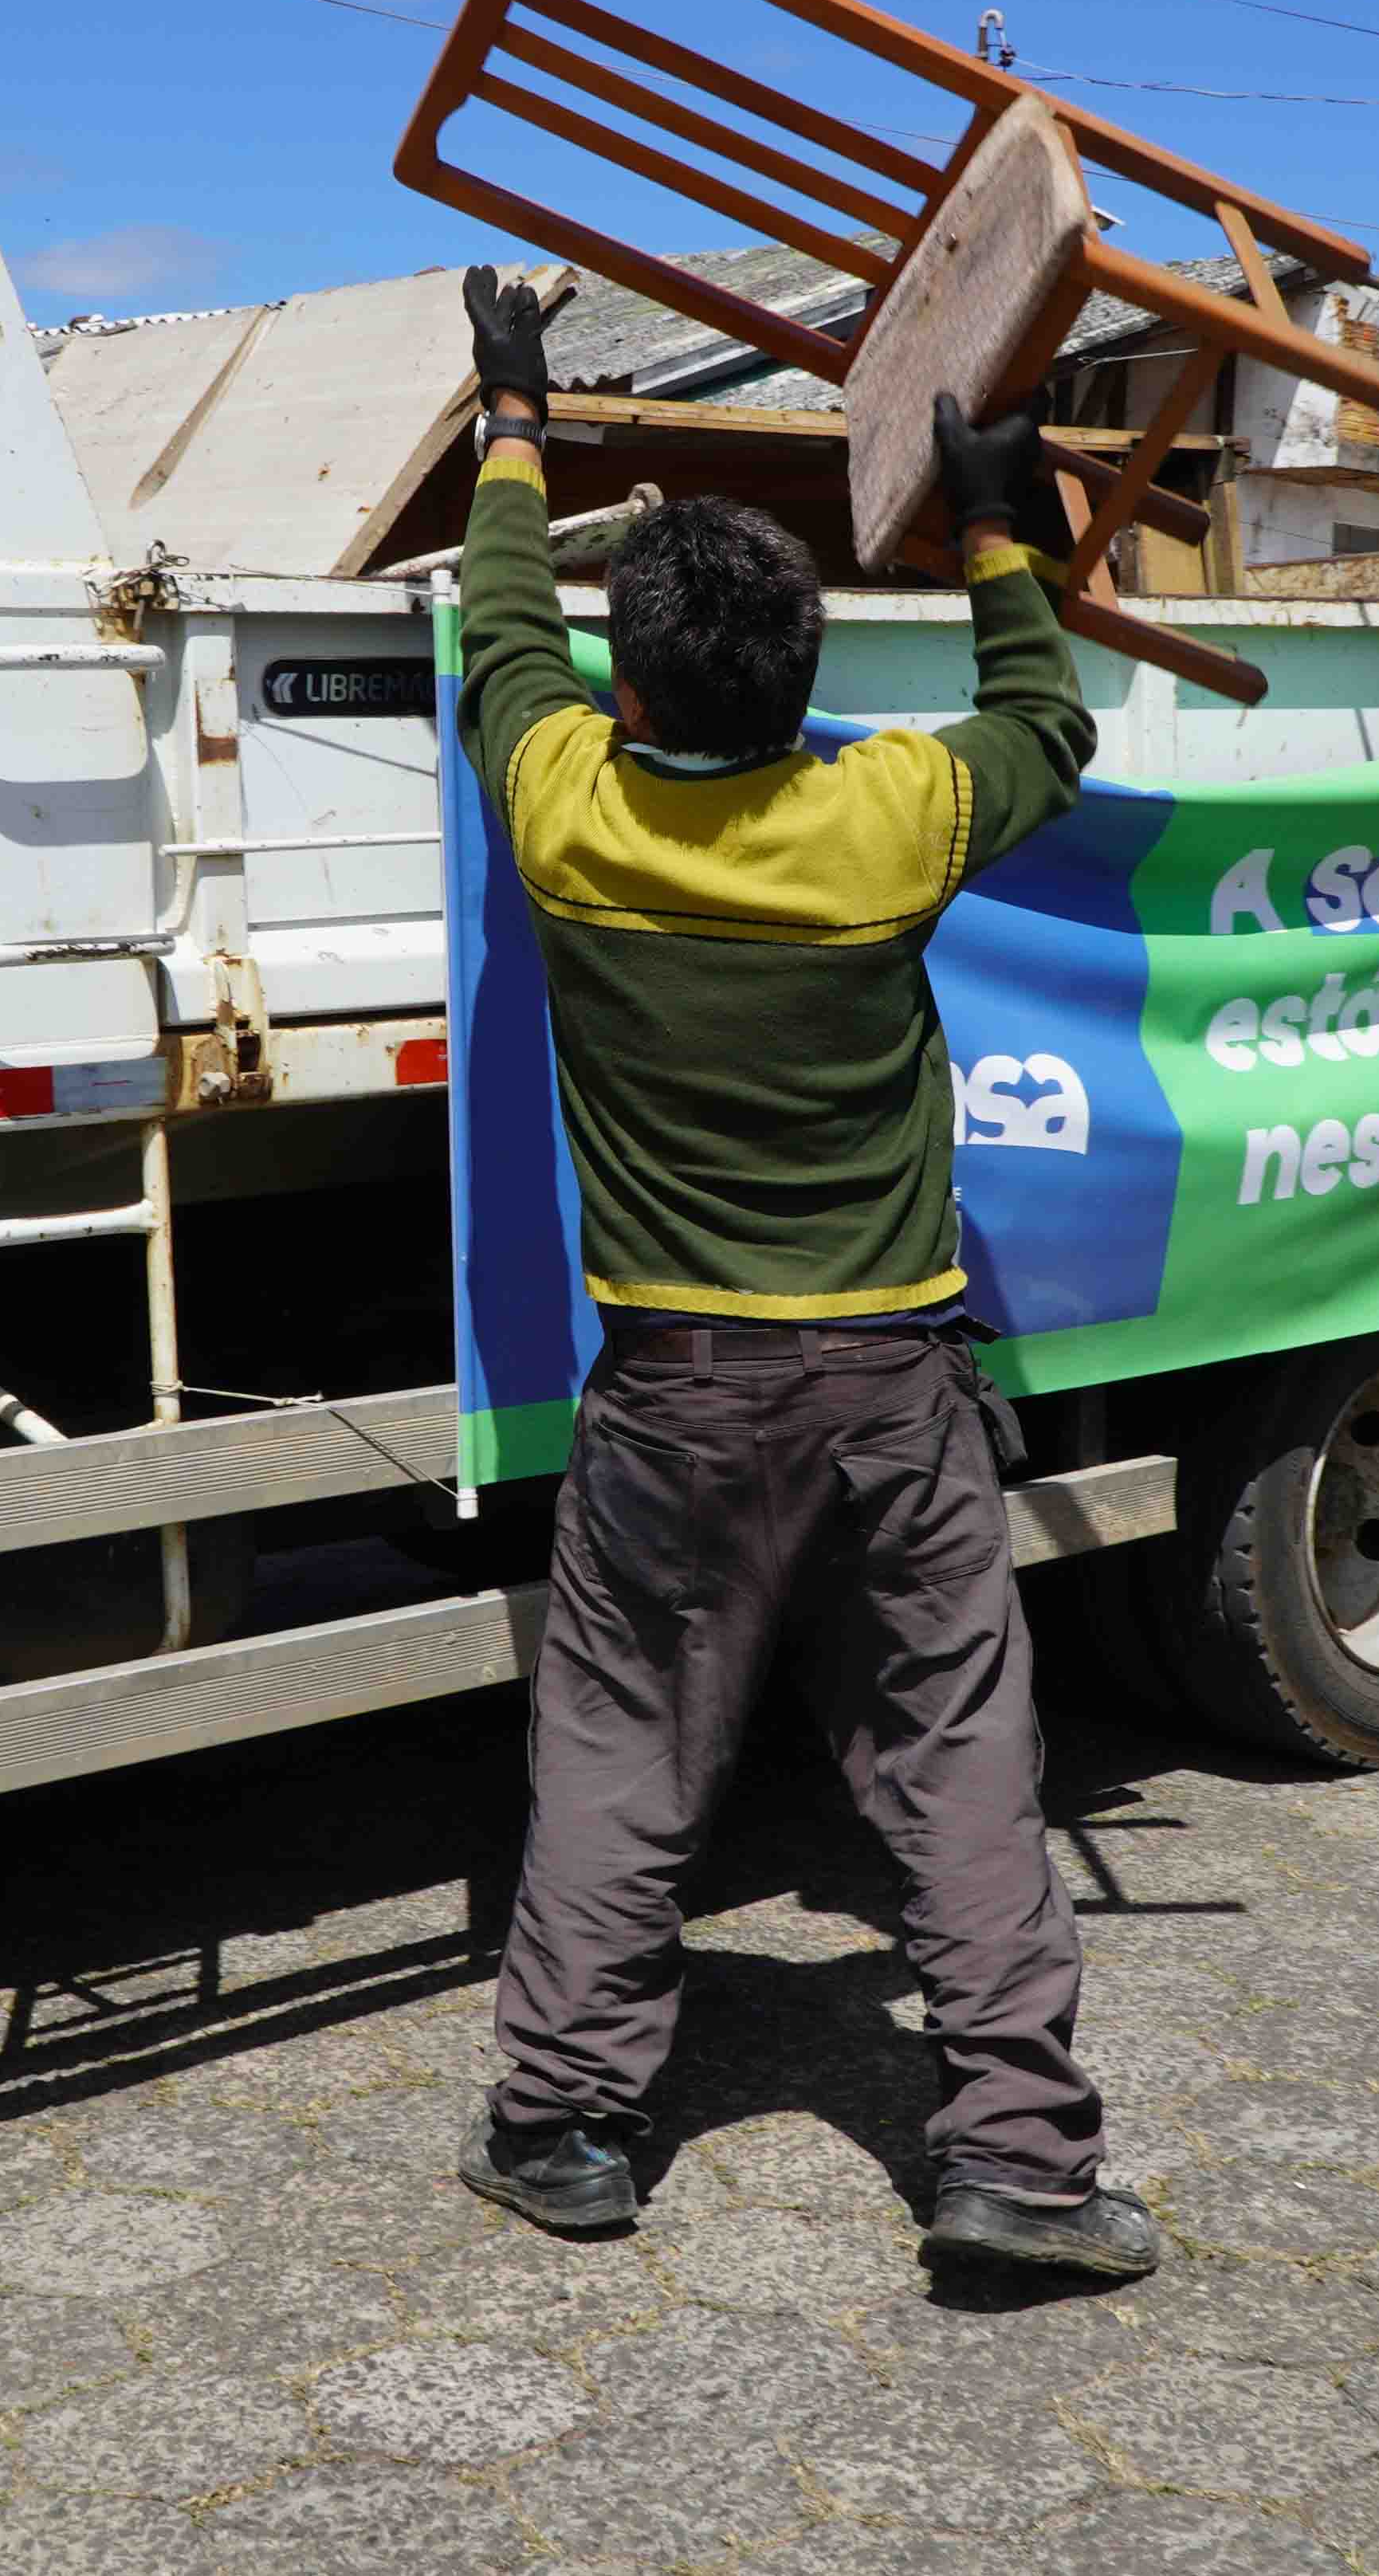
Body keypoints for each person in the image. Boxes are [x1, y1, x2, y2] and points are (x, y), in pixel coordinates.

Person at [444, 268, 1151, 2283]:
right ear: (806, 677)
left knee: (618, 1749)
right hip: (897, 1391)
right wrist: (998, 514)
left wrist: (516, 420)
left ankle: (569, 2124)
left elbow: (502, 630)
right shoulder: (895, 813)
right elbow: (1049, 718)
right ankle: (1016, 2151)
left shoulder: (568, 810)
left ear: (636, 693)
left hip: (672, 1394)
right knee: (962, 1759)